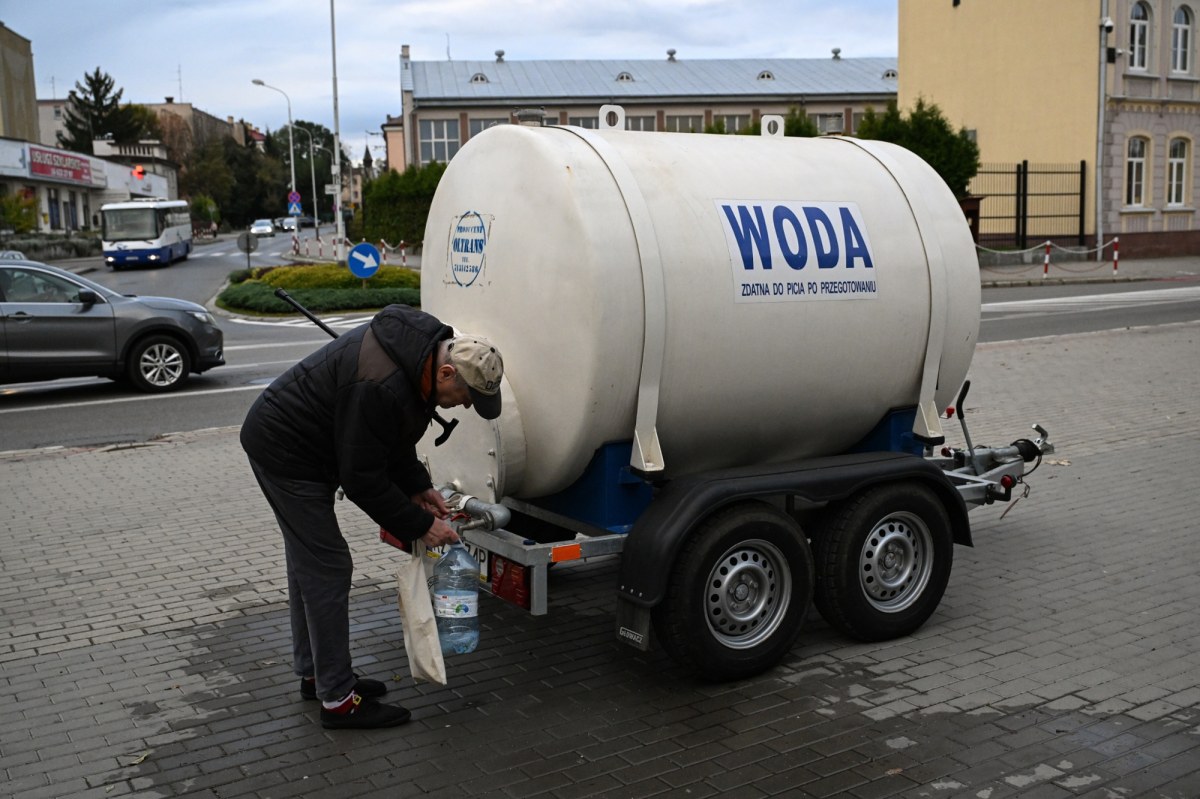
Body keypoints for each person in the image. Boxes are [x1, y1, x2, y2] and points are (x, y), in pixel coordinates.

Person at [240, 304, 504, 729]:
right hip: (286, 451)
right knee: (327, 566)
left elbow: (392, 437)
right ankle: (339, 702)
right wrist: (421, 525)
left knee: (308, 564)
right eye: (467, 398)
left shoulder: (415, 360)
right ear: (448, 375)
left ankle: (318, 675)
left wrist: (420, 486)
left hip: (313, 449)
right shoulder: (381, 383)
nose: (464, 407)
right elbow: (362, 477)